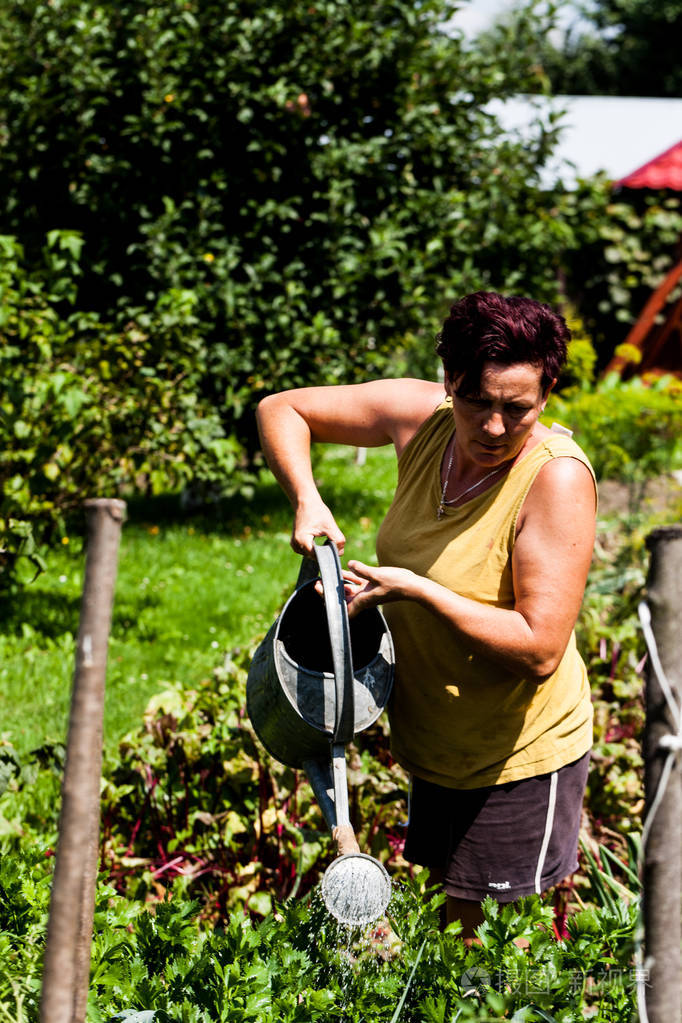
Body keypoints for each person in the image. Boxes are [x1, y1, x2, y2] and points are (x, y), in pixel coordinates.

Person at [256, 291, 597, 939]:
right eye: (477, 401)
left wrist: (419, 590)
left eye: (517, 407)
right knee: (449, 933)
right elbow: (283, 408)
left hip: (513, 756)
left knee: (486, 959)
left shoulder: (554, 481)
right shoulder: (423, 418)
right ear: (449, 382)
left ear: (548, 392)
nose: (494, 426)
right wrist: (307, 498)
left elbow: (540, 648)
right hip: (439, 745)